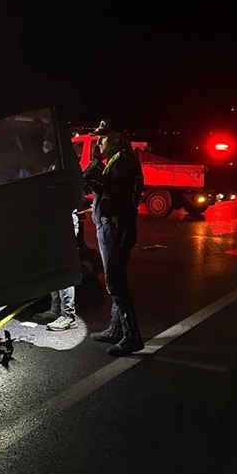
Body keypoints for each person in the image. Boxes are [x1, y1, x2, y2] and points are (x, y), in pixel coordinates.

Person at [85, 119, 145, 356]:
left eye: (104, 136)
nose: (99, 141)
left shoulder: (124, 161)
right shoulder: (118, 159)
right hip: (111, 226)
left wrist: (94, 180)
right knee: (115, 277)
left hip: (117, 228)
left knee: (115, 282)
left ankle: (132, 336)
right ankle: (116, 329)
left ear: (118, 136)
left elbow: (115, 196)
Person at [33, 212, 80, 331]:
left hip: (62, 225)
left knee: (63, 272)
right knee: (53, 270)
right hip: (52, 224)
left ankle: (68, 315)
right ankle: (56, 309)